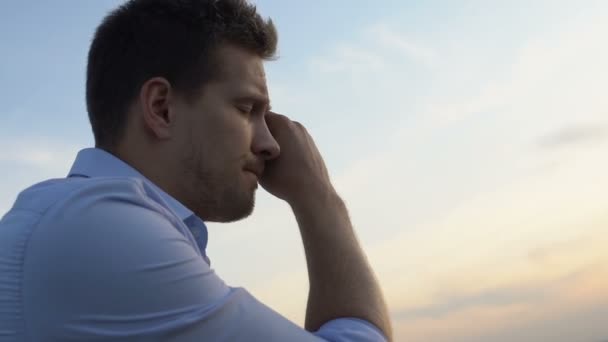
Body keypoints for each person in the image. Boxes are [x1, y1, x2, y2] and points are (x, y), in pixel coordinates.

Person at [0, 0, 392, 341]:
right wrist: (318, 196)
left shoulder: (84, 221)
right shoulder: (98, 227)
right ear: (161, 108)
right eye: (246, 110)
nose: (271, 144)